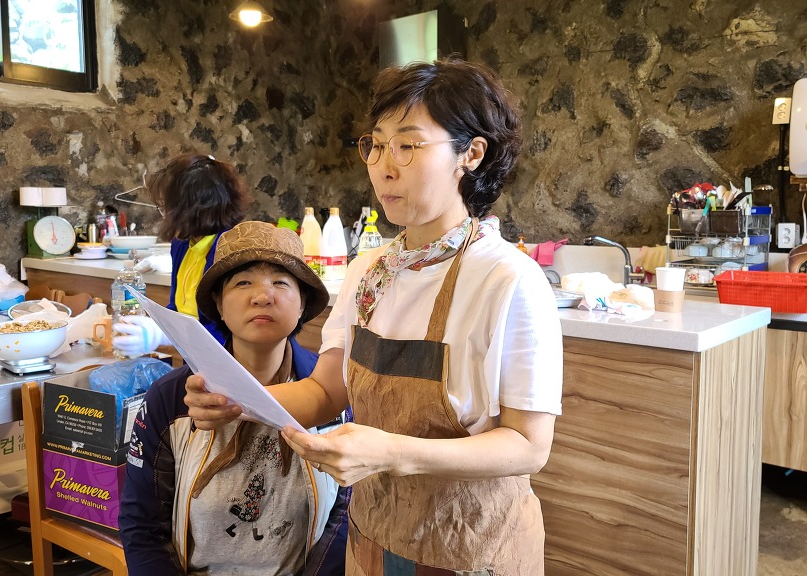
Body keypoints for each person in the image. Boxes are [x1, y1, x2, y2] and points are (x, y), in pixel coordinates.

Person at [184, 58, 563, 575]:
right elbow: (325, 392)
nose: (384, 166)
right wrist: (238, 400)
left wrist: (392, 452)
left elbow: (528, 446)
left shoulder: (508, 279)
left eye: (408, 145)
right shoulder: (370, 271)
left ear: (471, 154)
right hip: (373, 536)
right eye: (377, 145)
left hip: (471, 546)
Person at [119, 221, 348, 576]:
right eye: (243, 283)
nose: (262, 296)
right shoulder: (173, 398)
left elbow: (347, 515)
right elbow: (142, 525)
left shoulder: (334, 395)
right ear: (219, 304)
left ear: (303, 304)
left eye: (280, 282)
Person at [113, 152, 250, 356]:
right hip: (195, 360)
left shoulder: (232, 251)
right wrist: (156, 326)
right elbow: (177, 308)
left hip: (230, 362)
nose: (164, 215)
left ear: (193, 208)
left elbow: (229, 332)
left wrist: (164, 335)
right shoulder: (182, 245)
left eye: (166, 207)